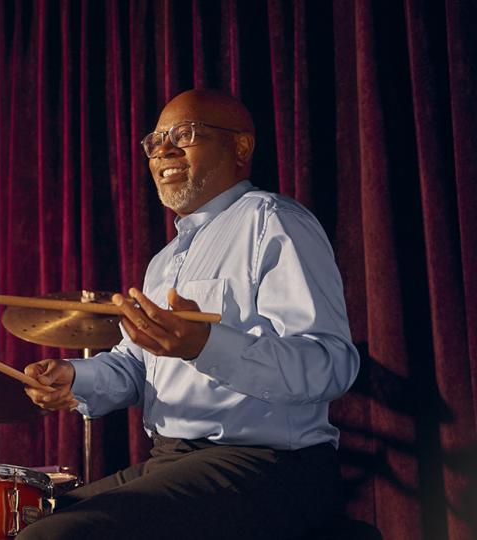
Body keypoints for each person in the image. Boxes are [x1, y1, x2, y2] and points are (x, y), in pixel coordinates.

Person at [19, 89, 360, 540]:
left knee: (53, 537)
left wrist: (205, 346)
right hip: (174, 460)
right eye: (156, 139)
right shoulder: (164, 260)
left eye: (185, 134)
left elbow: (329, 363)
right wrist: (74, 378)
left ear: (240, 147)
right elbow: (137, 365)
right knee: (27, 517)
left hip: (268, 466)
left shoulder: (272, 220)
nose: (163, 149)